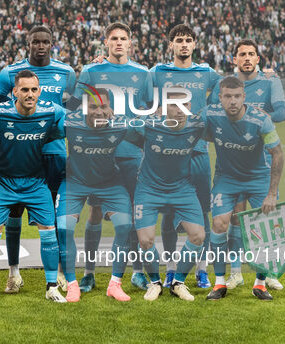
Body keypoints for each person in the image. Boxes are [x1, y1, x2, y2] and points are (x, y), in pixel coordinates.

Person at [70, 22, 153, 292]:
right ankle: (89, 273)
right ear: (106, 42)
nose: (119, 42)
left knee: (131, 214)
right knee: (94, 213)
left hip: (131, 153)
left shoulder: (143, 74)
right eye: (114, 38)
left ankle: (137, 272)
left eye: (124, 38)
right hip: (99, 154)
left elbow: (151, 111)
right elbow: (75, 106)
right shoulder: (92, 70)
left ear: (130, 43)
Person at [0, 26, 75, 293]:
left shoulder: (67, 73)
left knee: (52, 216)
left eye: (46, 42)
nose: (41, 46)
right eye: (36, 41)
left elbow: (72, 113)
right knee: (14, 214)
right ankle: (13, 272)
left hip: (53, 152)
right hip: (18, 152)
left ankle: (59, 273)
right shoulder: (9, 73)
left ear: (53, 44)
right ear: (27, 42)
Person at [0, 70, 67, 304]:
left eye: (34, 89)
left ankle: (51, 287)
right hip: (2, 182)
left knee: (49, 231)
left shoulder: (51, 111)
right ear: (14, 91)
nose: (29, 94)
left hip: (36, 183)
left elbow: (77, 123)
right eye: (24, 89)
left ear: (40, 91)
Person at [209, 39, 285, 291]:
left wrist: (250, 118)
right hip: (231, 163)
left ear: (258, 59)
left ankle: (268, 273)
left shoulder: (269, 81)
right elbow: (212, 111)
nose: (246, 58)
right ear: (234, 59)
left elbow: (282, 113)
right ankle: (235, 272)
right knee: (233, 218)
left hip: (260, 158)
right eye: (241, 54)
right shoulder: (226, 83)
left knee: (262, 220)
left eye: (251, 54)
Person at [150, 24, 221, 289]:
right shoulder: (157, 72)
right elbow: (138, 94)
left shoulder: (206, 72)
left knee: (204, 213)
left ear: (194, 45)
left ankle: (202, 270)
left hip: (198, 152)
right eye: (179, 40)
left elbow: (233, 85)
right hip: (168, 153)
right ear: (171, 45)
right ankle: (170, 269)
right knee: (168, 213)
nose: (183, 44)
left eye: (188, 40)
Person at [58, 88, 134, 302]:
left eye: (103, 106)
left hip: (110, 182)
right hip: (75, 181)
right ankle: (72, 284)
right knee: (65, 227)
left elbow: (150, 134)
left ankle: (115, 284)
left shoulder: (122, 124)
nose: (99, 112)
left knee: (125, 226)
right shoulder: (69, 122)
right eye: (93, 106)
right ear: (84, 108)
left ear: (111, 108)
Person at [132, 91, 207, 301]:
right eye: (174, 105)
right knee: (146, 241)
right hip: (149, 189)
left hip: (182, 188)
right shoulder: (149, 125)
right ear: (164, 109)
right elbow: (125, 125)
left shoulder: (197, 127)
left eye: (185, 105)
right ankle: (155, 282)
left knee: (198, 236)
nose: (180, 110)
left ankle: (178, 282)